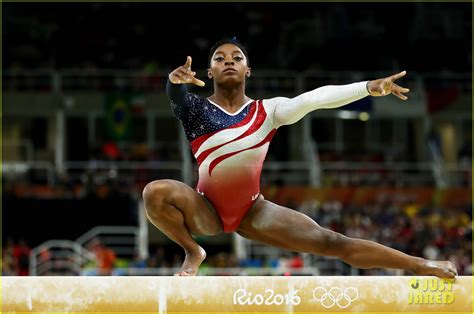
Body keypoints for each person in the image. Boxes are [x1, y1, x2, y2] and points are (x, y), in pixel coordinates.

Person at [143, 37, 457, 278]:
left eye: (237, 58)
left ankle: (420, 264)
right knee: (155, 192)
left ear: (247, 70)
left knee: (332, 242)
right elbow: (177, 97)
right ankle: (192, 250)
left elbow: (314, 99)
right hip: (205, 208)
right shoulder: (196, 109)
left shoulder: (267, 111)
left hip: (253, 211)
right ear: (209, 70)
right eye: (220, 58)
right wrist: (173, 83)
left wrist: (367, 88)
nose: (228, 61)